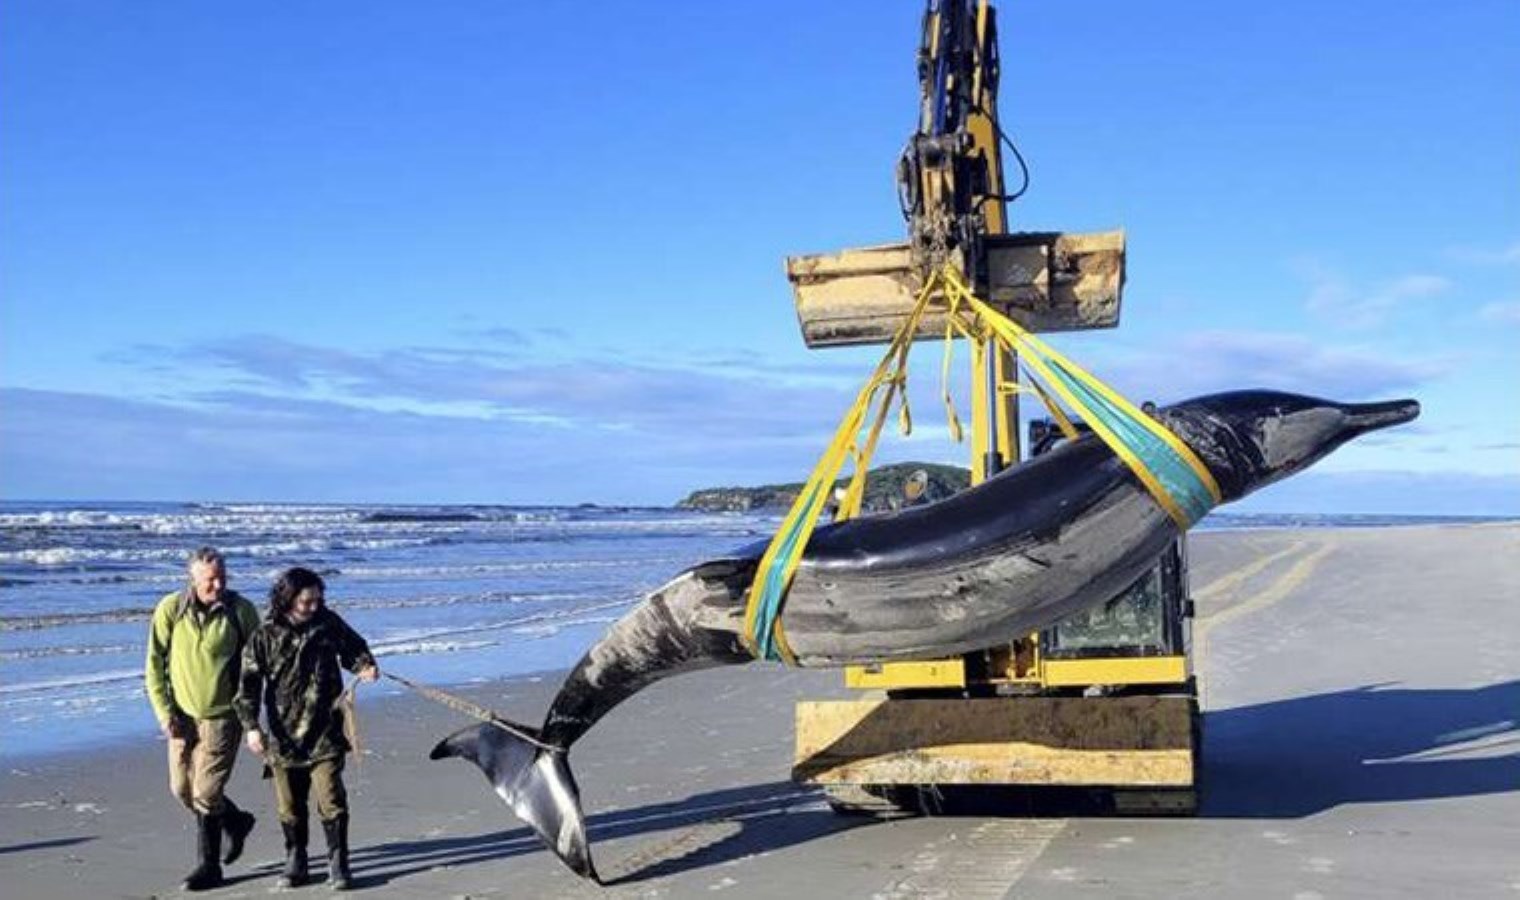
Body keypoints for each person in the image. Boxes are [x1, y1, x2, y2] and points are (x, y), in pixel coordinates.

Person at [237, 567, 379, 890]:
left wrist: (365, 665)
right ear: (287, 599)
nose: (314, 606)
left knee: (331, 796)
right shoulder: (264, 636)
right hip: (283, 736)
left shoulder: (328, 623)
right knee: (289, 803)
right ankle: (296, 859)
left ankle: (338, 863)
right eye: (306, 601)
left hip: (326, 729)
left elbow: (354, 648)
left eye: (318, 599)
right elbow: (248, 685)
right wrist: (251, 728)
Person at [144, 546, 262, 891]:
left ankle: (209, 867)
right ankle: (236, 821)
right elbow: (154, 664)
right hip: (181, 718)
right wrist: (164, 713)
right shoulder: (171, 609)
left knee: (206, 792)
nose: (218, 584)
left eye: (223, 577)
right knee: (181, 790)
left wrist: (252, 714)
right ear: (192, 578)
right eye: (210, 579)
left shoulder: (240, 611)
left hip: (224, 716)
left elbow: (258, 664)